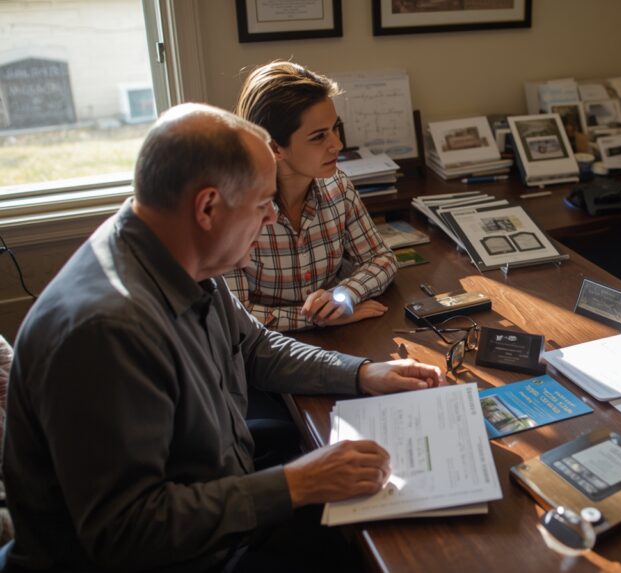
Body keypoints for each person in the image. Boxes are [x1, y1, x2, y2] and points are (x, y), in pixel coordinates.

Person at [3, 103, 443, 572]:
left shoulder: (175, 251)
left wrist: (364, 373)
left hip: (221, 504)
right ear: (208, 207)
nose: (272, 217)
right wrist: (297, 484)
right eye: (262, 203)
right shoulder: (106, 332)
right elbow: (127, 532)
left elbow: (255, 347)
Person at [226, 61, 397, 332]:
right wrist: (317, 318)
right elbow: (235, 316)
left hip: (336, 340)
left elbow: (382, 259)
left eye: (335, 128)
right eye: (318, 137)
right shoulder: (232, 211)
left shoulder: (338, 186)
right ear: (275, 148)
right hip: (263, 348)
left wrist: (344, 295)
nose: (337, 144)